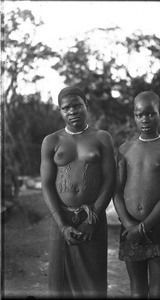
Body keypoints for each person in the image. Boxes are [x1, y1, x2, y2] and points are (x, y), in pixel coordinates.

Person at [40, 86, 116, 298]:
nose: (72, 111)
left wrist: (92, 218)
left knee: (93, 283)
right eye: (66, 108)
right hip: (60, 219)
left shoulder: (102, 138)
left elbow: (110, 180)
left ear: (86, 107)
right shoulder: (51, 141)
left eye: (77, 105)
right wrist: (62, 226)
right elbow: (46, 185)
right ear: (60, 111)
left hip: (92, 217)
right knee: (59, 285)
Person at [113, 91, 160, 299]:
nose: (145, 119)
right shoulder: (125, 149)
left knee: (158, 290)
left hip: (159, 226)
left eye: (151, 114)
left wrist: (143, 227)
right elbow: (116, 191)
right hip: (130, 228)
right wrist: (128, 225)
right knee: (137, 289)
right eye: (140, 114)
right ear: (134, 115)